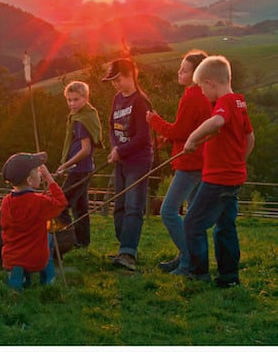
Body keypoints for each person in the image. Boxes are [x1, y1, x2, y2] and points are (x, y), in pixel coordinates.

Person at [183, 55, 254, 288]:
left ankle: (198, 274)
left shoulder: (224, 103)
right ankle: (229, 276)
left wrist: (193, 138)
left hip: (218, 179)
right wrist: (239, 161)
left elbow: (217, 122)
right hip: (234, 177)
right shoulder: (240, 103)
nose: (203, 93)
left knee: (193, 223)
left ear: (210, 82)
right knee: (225, 226)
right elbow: (250, 138)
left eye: (203, 87)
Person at [145, 50, 212, 276]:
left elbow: (180, 130)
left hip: (190, 162)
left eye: (184, 70)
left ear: (196, 74)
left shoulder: (192, 96)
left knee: (168, 211)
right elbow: (188, 131)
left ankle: (188, 261)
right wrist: (168, 139)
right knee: (192, 216)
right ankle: (187, 258)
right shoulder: (202, 95)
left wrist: (155, 121)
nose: (179, 72)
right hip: (201, 159)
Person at [102, 58, 153, 271]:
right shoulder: (117, 99)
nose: (115, 84)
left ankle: (128, 252)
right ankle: (125, 246)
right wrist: (115, 148)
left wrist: (120, 150)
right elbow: (113, 127)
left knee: (133, 206)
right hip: (121, 160)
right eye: (112, 81)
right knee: (119, 206)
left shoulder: (141, 102)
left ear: (131, 74)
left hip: (138, 161)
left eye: (118, 79)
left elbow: (143, 137)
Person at [0, 152, 68, 291]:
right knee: (48, 237)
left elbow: (24, 208)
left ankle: (18, 277)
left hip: (12, 257)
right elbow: (61, 203)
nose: (41, 174)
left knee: (20, 252)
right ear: (30, 180)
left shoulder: (6, 201)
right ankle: (48, 278)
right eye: (38, 172)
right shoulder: (40, 202)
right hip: (36, 259)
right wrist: (49, 179)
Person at [55, 80, 104, 248]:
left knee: (60, 204)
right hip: (81, 169)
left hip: (79, 170)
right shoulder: (79, 117)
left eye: (76, 99)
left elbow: (85, 150)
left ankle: (68, 239)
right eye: (69, 100)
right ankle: (82, 241)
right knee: (80, 207)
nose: (72, 103)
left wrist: (66, 164)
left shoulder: (83, 120)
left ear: (85, 98)